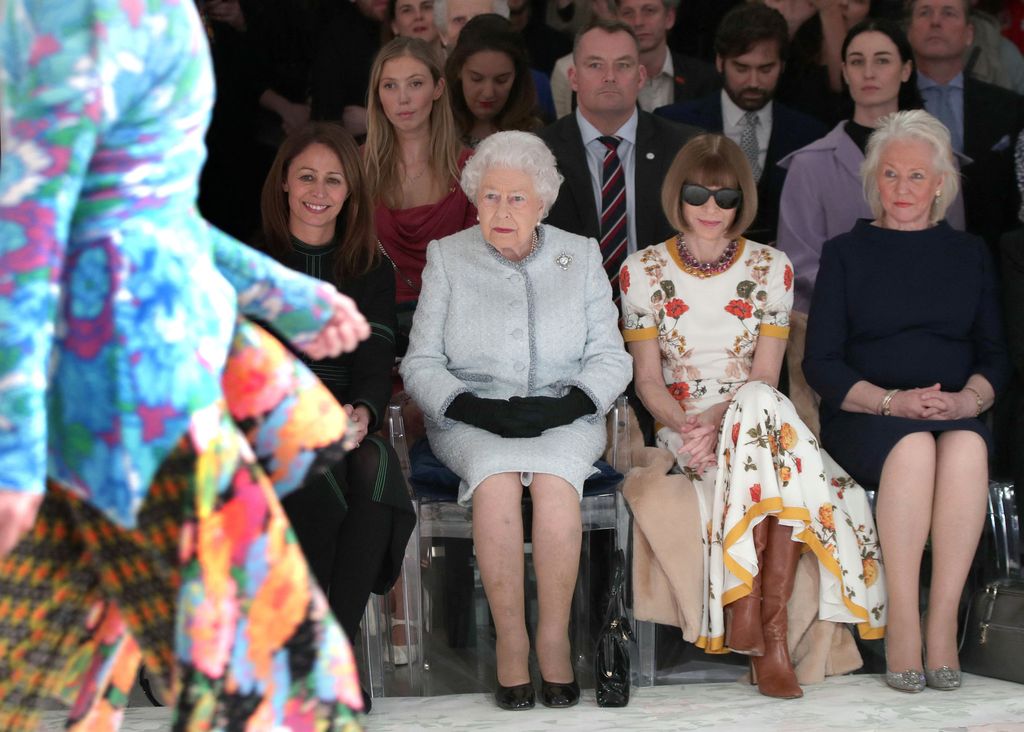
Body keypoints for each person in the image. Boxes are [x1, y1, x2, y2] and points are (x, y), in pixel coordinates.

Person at [0, 1, 370, 728]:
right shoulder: (51, 30)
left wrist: (286, 294)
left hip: (162, 377)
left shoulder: (164, 27)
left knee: (265, 663)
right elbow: (28, 245)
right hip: (81, 394)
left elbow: (151, 215)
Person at [619, 133, 884, 699]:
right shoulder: (639, 271)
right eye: (697, 193)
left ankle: (760, 620)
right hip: (685, 422)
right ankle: (769, 633)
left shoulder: (773, 267)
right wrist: (695, 426)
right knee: (782, 463)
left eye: (726, 196)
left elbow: (764, 376)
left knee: (761, 408)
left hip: (753, 416)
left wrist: (724, 423)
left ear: (744, 201)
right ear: (676, 195)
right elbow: (647, 381)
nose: (711, 209)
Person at [400, 131, 633, 710]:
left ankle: (553, 640)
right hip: (470, 418)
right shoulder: (447, 257)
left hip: (563, 413)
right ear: (475, 198)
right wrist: (470, 407)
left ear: (543, 204)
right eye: (491, 197)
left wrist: (571, 405)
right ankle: (510, 642)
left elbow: (611, 357)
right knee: (497, 483)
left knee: (557, 486)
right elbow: (421, 363)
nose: (502, 211)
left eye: (517, 199)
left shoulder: (578, 256)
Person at [803, 109, 1010, 692]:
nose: (903, 189)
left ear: (940, 183)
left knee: (968, 447)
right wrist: (894, 403)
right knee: (916, 446)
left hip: (953, 414)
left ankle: (941, 622)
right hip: (868, 418)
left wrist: (968, 402)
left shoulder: (969, 254)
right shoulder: (845, 252)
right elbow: (822, 363)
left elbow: (995, 358)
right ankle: (899, 623)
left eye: (917, 177)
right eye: (891, 175)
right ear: (874, 181)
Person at [257, 123, 417, 685]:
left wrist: (365, 411)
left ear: (351, 192)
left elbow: (376, 355)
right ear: (283, 183)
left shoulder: (368, 265)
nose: (318, 191)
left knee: (372, 464)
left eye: (333, 179)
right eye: (306, 176)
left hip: (342, 415)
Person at [777, 18, 965, 434]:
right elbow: (797, 265)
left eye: (882, 60)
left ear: (906, 69)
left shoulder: (941, 160)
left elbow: (953, 254)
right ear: (842, 71)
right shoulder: (808, 164)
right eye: (856, 61)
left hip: (929, 353)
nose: (869, 72)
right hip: (836, 351)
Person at [538, 19, 700, 301]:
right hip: (565, 313)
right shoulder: (539, 152)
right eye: (595, 65)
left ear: (640, 77)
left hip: (669, 310)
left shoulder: (684, 149)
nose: (609, 76)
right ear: (573, 77)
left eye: (623, 65)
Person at [655, 2, 828, 243]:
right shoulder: (674, 124)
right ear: (720, 62)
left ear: (783, 66)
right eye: (741, 68)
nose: (753, 81)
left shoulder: (810, 135)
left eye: (766, 69)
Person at [364, 37, 477, 351]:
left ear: (438, 89)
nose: (403, 99)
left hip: (456, 332)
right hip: (373, 330)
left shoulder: (471, 168)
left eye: (415, 84)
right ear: (378, 95)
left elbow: (481, 265)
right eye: (390, 86)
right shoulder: (356, 167)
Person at [906, 0, 1024, 252]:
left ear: (969, 33)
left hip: (992, 256)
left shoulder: (1008, 106)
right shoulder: (888, 106)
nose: (936, 21)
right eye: (925, 13)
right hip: (908, 251)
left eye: (948, 13)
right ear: (909, 31)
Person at [446, 14, 542, 146]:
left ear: (517, 75)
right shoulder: (436, 128)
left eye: (501, 80)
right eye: (476, 79)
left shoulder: (534, 136)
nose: (488, 93)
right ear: (458, 70)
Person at [615, 0, 718, 113]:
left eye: (649, 11)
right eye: (628, 13)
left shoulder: (705, 78)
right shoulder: (609, 80)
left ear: (669, 18)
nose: (638, 22)